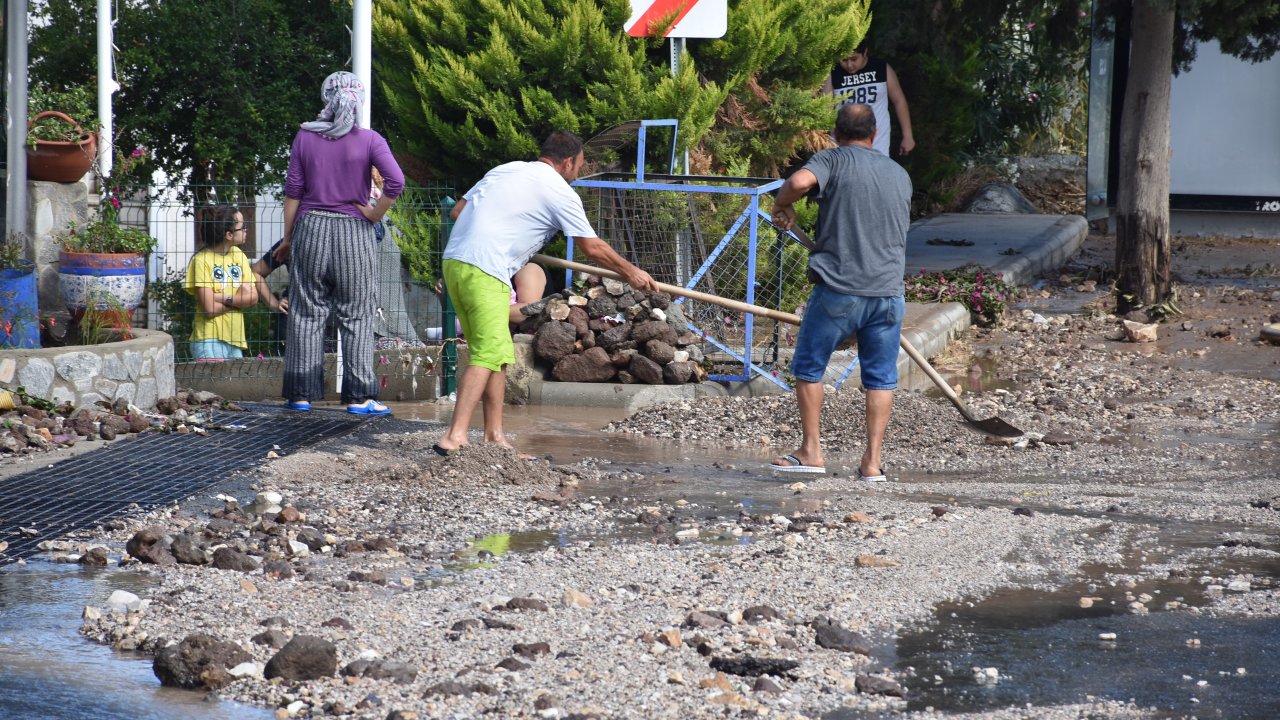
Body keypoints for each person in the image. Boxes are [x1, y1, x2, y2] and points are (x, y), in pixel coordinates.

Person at [434, 131, 656, 457]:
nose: (577, 174)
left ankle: (494, 435)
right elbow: (591, 246)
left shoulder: (505, 170)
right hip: (485, 270)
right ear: (567, 163)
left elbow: (457, 214)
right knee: (487, 354)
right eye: (578, 167)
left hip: (455, 263)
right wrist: (632, 272)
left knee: (497, 351)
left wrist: (513, 235)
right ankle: (454, 436)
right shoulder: (559, 192)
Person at [767, 103, 912, 480]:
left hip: (840, 290)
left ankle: (812, 451)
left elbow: (799, 183)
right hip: (888, 293)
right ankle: (872, 464)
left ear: (836, 134)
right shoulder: (899, 173)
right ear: (874, 135)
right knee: (880, 379)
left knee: (809, 368)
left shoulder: (833, 159)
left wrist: (782, 205)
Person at [276, 70, 405, 415]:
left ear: (325, 100)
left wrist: (288, 239)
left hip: (311, 230)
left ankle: (300, 395)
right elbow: (396, 181)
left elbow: (293, 193)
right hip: (354, 231)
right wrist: (375, 215)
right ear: (359, 101)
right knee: (357, 314)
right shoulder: (370, 140)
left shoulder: (304, 137)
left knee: (305, 311)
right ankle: (360, 398)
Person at [186, 206, 258, 360]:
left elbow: (253, 298)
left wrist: (220, 297)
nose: (246, 230)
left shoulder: (239, 255)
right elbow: (210, 309)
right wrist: (239, 301)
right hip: (208, 339)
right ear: (229, 234)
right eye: (242, 227)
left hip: (236, 339)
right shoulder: (201, 260)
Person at [821, 41, 915, 158]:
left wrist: (908, 135)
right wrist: (825, 140)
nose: (849, 65)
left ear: (865, 53)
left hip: (877, 140)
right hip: (842, 140)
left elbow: (899, 101)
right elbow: (826, 108)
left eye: (854, 59)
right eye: (844, 60)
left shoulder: (881, 68)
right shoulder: (833, 73)